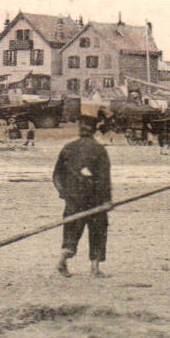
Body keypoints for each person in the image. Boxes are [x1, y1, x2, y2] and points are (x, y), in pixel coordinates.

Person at [52, 116, 112, 277]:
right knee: (98, 231)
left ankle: (62, 261)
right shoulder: (99, 150)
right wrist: (107, 201)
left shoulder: (68, 148)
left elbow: (57, 175)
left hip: (73, 199)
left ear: (80, 129)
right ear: (94, 130)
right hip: (95, 200)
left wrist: (64, 193)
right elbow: (104, 179)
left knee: (71, 230)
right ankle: (95, 268)